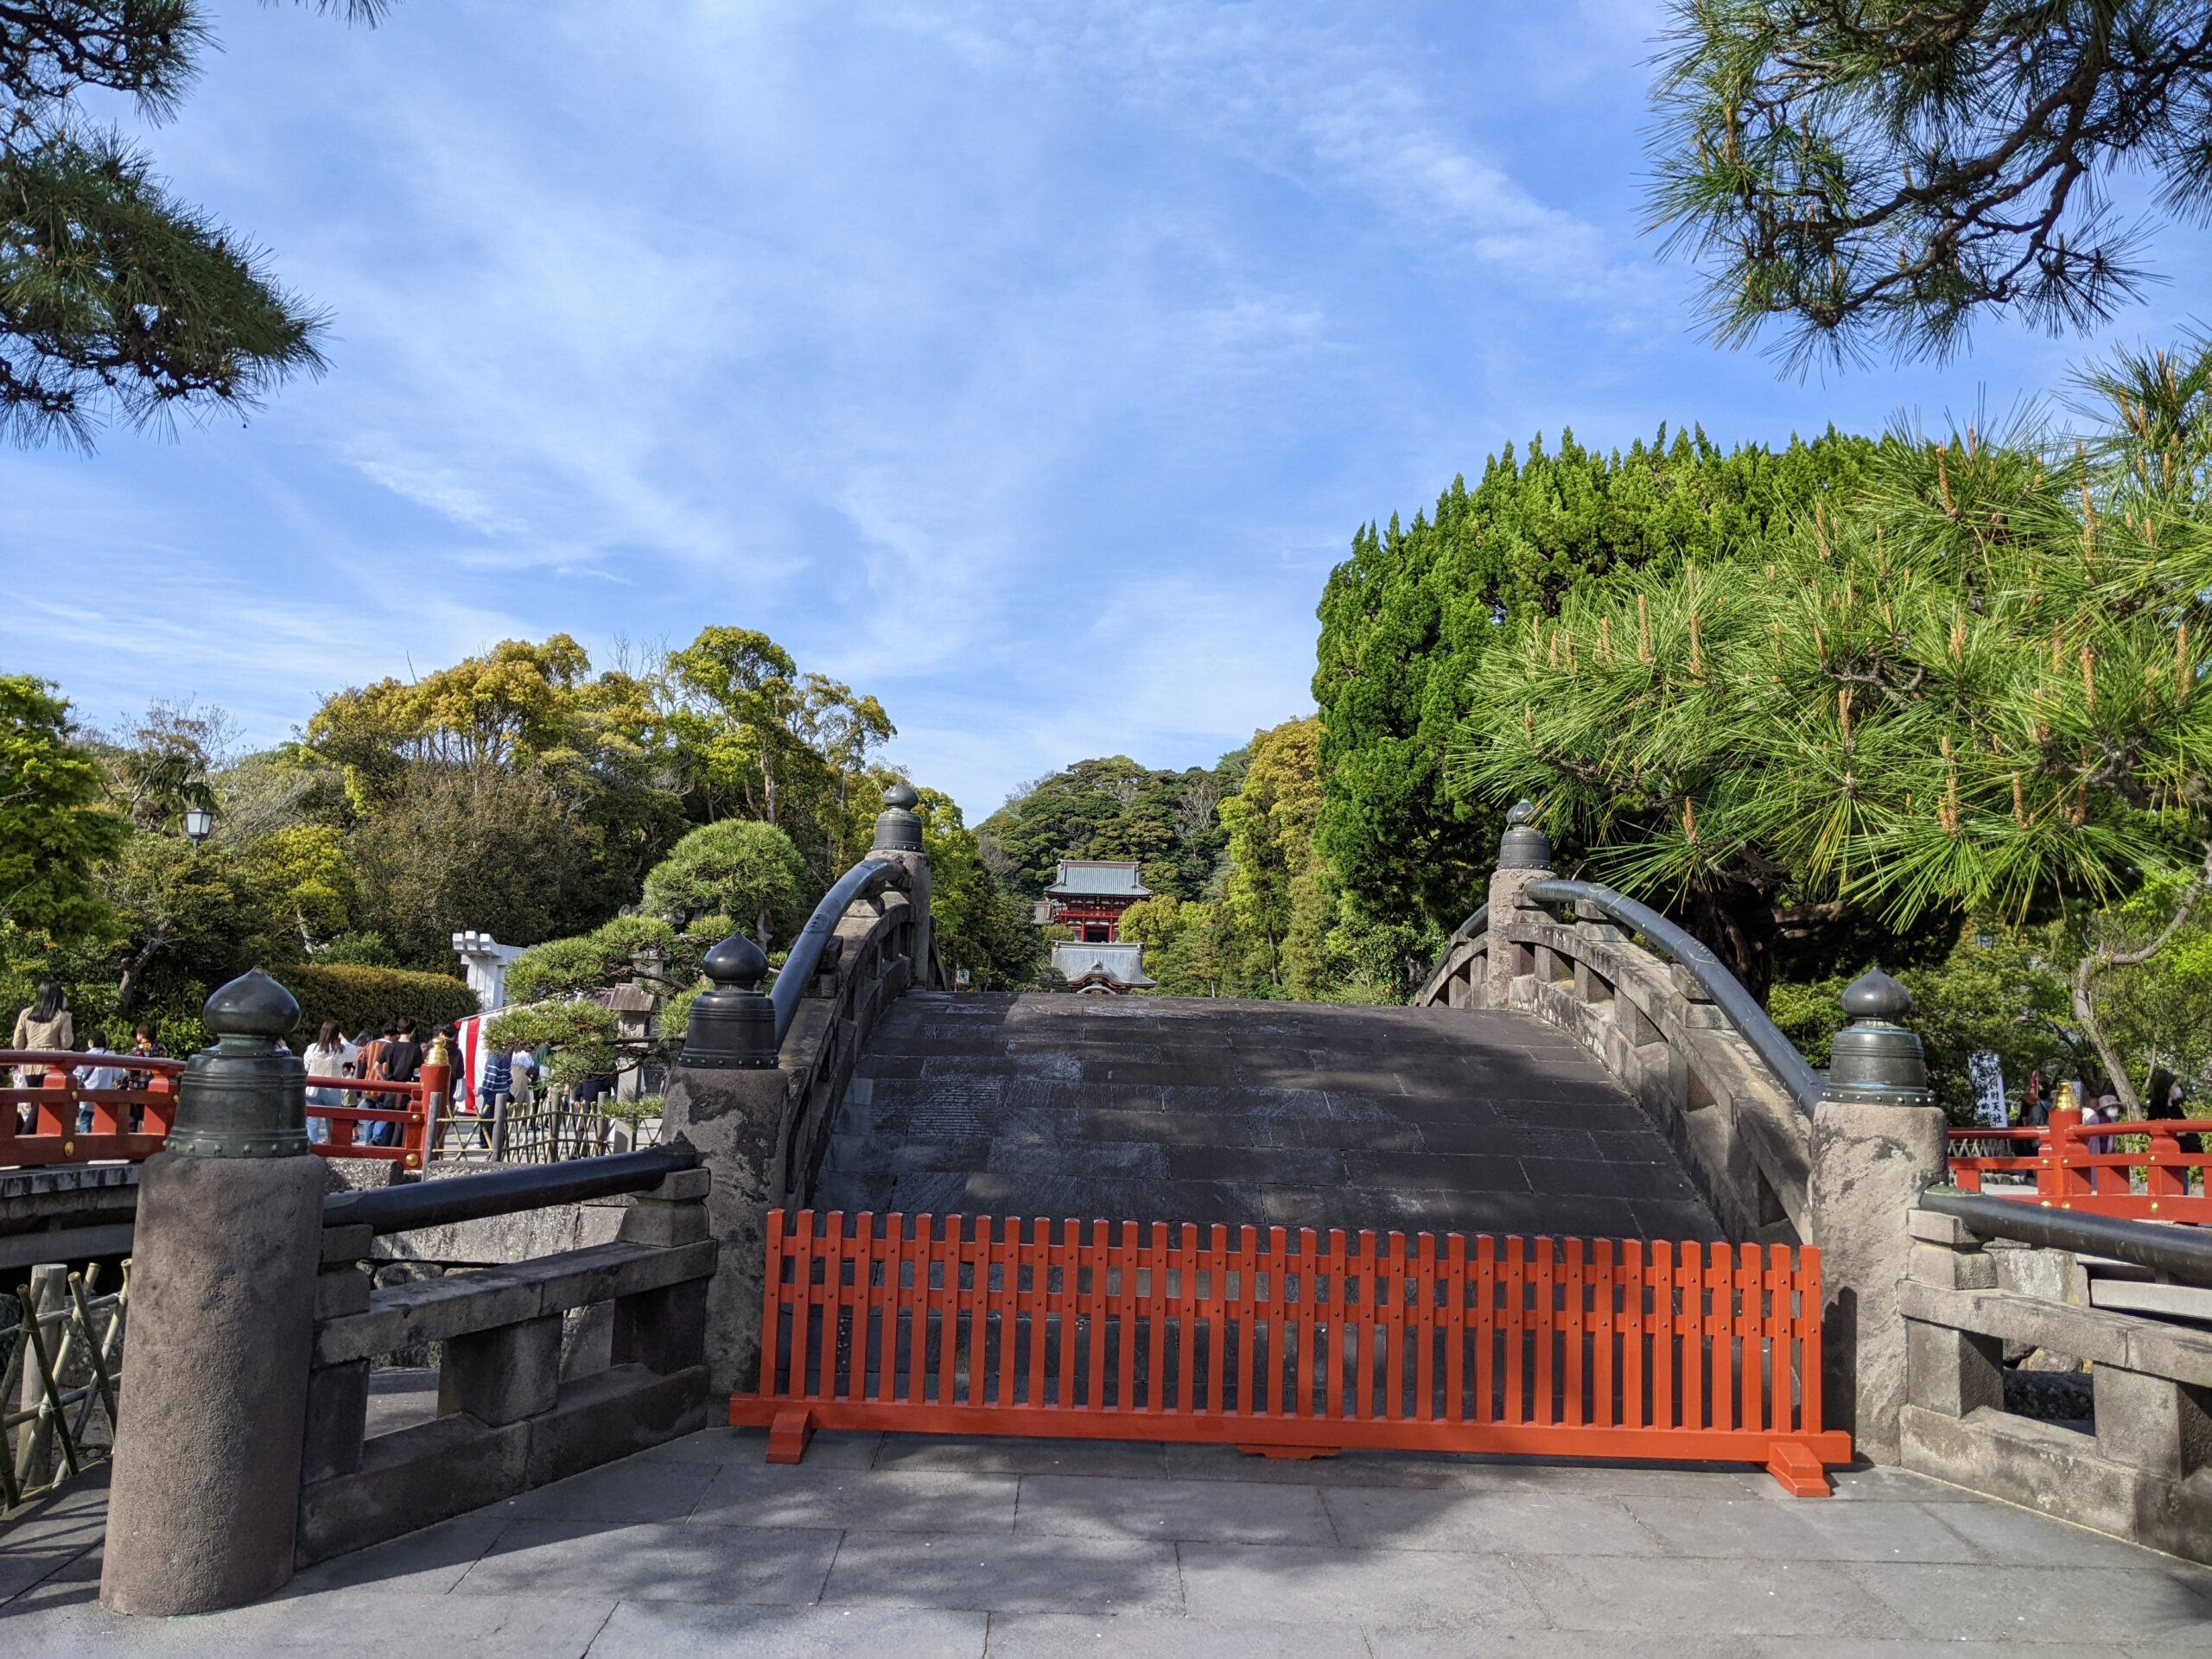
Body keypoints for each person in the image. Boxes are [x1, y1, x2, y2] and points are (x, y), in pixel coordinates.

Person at [303, 1020, 356, 1147]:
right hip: (332, 1087)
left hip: (312, 1088)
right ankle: (331, 1146)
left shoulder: (312, 1048)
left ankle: (312, 1147)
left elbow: (306, 1066)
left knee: (312, 1121)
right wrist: (343, 1039)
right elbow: (353, 1054)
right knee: (332, 1121)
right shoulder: (339, 1050)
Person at [373, 1020, 423, 1147]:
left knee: (389, 1121)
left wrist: (384, 1080)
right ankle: (395, 1150)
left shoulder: (389, 1046)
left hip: (391, 1087)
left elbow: (376, 1067)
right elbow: (418, 1070)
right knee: (401, 1123)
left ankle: (384, 1149)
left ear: (398, 1029)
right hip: (406, 1087)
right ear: (413, 1031)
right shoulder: (415, 1049)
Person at [12, 983, 73, 1087]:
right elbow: (66, 1043)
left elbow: (17, 1044)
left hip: (29, 1063)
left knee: (30, 1099)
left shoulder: (25, 1013)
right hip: (53, 1063)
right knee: (49, 1100)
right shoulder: (63, 1015)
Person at [74, 1033, 124, 1135]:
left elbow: (76, 1075)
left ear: (91, 1042)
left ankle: (85, 1143)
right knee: (104, 1126)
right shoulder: (111, 1055)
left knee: (85, 1120)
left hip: (87, 1095)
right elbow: (118, 1075)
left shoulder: (85, 1056)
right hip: (105, 1096)